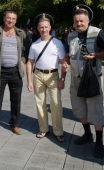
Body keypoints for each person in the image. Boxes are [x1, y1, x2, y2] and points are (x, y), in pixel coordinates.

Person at [67, 5, 104, 158]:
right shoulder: (71, 35)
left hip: (92, 78)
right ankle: (87, 134)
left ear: (88, 20)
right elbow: (69, 54)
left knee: (95, 109)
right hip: (75, 78)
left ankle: (99, 142)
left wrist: (96, 56)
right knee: (80, 108)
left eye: (81, 21)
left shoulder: (98, 32)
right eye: (76, 21)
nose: (78, 24)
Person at [0, 10, 30, 137]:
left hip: (16, 72)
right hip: (0, 72)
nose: (10, 20)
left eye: (13, 19)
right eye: (8, 18)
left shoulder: (21, 33)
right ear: (4, 18)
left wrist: (23, 60)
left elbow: (27, 49)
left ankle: (14, 124)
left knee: (16, 100)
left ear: (16, 21)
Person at [26, 13, 68, 142]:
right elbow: (29, 63)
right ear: (37, 29)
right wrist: (29, 80)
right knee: (40, 103)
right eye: (41, 27)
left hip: (53, 75)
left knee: (56, 103)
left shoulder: (57, 43)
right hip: (38, 75)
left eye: (46, 27)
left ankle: (58, 131)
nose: (44, 29)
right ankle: (43, 128)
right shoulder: (34, 44)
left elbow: (63, 62)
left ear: (50, 27)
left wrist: (62, 79)